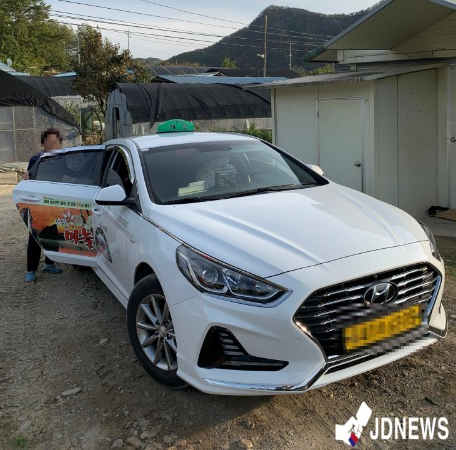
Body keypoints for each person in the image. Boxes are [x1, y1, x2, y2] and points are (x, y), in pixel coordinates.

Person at [24, 128, 64, 282]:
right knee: (35, 236)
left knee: (53, 233)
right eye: (49, 142)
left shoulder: (62, 159)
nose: (53, 145)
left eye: (56, 142)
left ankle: (49, 264)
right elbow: (29, 177)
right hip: (38, 202)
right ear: (44, 143)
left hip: (55, 201)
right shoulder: (37, 159)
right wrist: (25, 177)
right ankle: (31, 270)